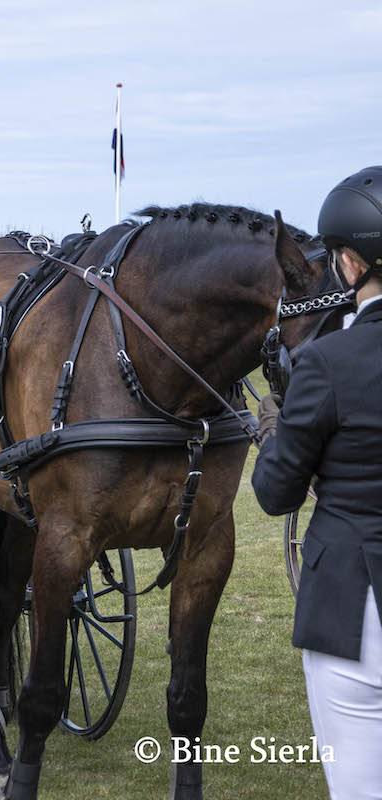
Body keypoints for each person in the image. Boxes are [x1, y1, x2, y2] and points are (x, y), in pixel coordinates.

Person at [252, 166, 382, 799]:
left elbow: (276, 492)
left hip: (355, 605)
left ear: (350, 264)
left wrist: (272, 430)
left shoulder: (326, 362)